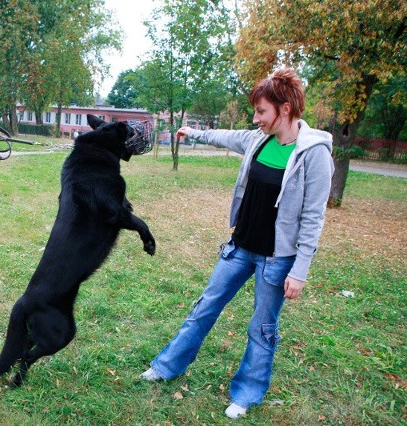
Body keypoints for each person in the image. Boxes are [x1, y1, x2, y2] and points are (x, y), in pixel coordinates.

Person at [140, 68, 334, 419]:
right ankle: (167, 366)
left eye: (261, 111)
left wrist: (300, 270)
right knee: (203, 308)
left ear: (285, 109)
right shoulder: (260, 140)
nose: (256, 119)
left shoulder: (314, 154)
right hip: (239, 248)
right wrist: (194, 132)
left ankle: (246, 394)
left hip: (277, 259)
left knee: (262, 327)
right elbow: (225, 136)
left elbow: (313, 217)